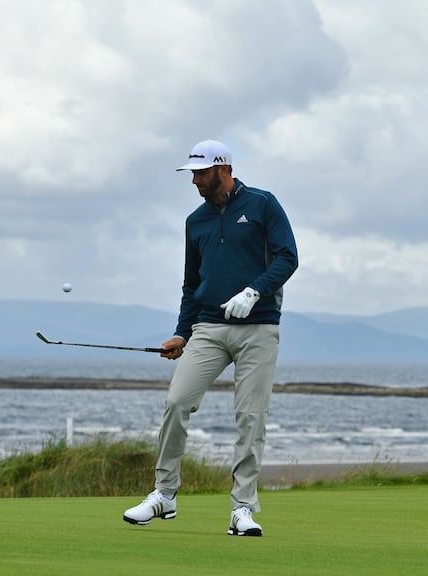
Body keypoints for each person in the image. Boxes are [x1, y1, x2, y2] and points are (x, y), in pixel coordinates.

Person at [123, 139, 298, 537]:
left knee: (250, 418)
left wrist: (254, 291)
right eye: (192, 174)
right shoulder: (195, 222)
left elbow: (289, 257)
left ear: (223, 169)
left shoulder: (262, 204)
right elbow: (191, 283)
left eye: (200, 173)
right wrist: (181, 333)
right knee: (177, 401)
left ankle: (243, 510)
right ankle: (164, 495)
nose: (195, 181)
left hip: (259, 327)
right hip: (209, 328)